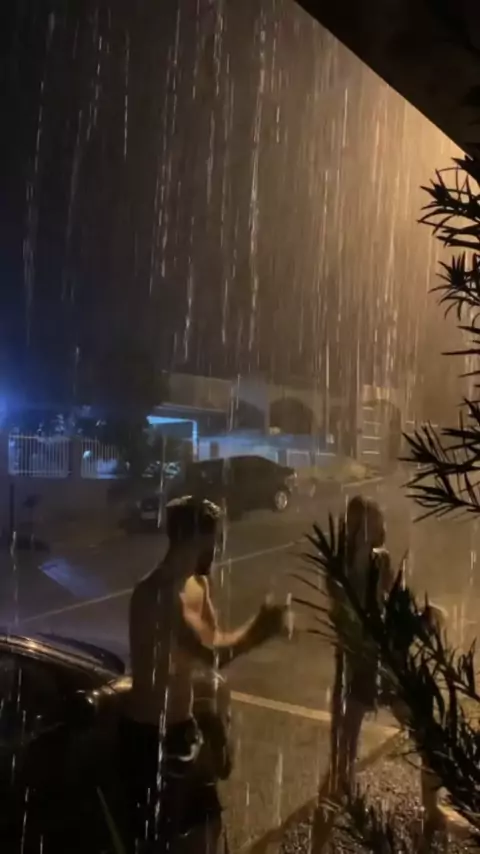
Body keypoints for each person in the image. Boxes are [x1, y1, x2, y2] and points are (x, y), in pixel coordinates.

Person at [121, 495, 289, 853]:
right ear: (193, 538)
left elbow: (211, 645)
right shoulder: (159, 595)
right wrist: (260, 629)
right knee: (160, 842)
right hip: (151, 739)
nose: (219, 548)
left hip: (183, 728)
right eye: (215, 540)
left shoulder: (198, 585)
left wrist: (212, 714)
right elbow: (210, 655)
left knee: (207, 825)